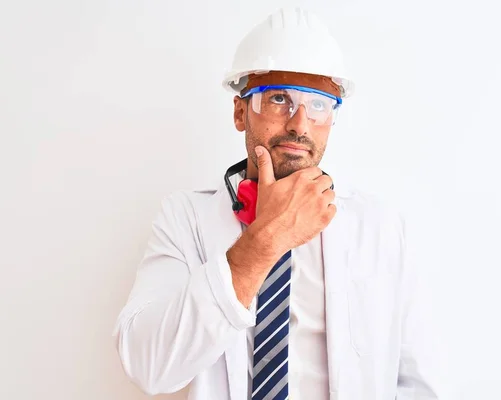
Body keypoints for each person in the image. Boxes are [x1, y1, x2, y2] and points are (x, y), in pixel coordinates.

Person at [113, 7, 442, 400]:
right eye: (279, 99)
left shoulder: (381, 227)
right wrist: (265, 240)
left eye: (319, 104)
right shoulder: (185, 218)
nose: (300, 124)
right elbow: (150, 368)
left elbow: (419, 384)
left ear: (332, 119)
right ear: (240, 112)